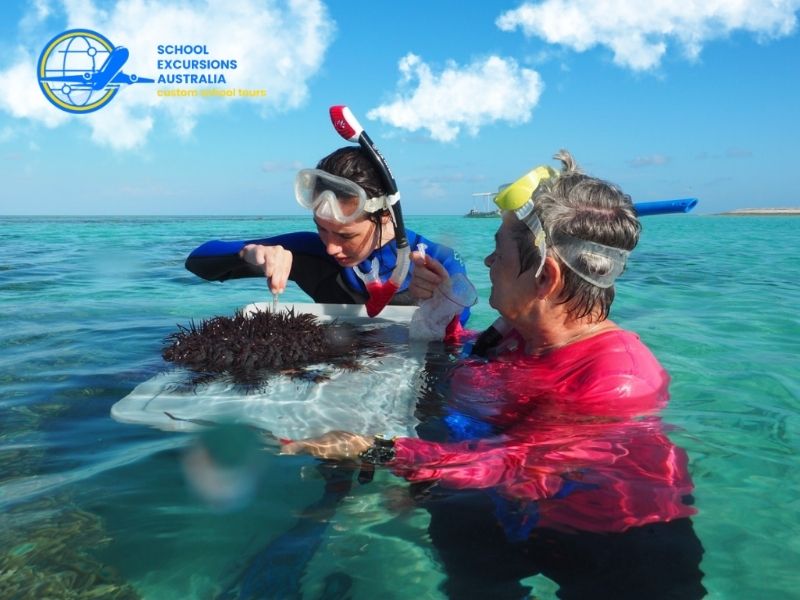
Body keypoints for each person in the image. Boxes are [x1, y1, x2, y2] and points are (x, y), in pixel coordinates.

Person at [283, 150, 706, 599]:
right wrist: (439, 310)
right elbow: (466, 369)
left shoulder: (617, 380)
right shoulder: (516, 335)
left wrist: (375, 449)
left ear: (546, 279)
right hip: (512, 510)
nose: (487, 262)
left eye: (498, 251)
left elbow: (513, 465)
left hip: (619, 545)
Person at [185, 146, 468, 316]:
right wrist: (247, 255)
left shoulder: (436, 262)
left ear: (385, 217)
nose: (330, 247)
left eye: (346, 236)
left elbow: (459, 331)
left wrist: (440, 305)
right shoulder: (314, 252)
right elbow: (198, 262)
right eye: (321, 229)